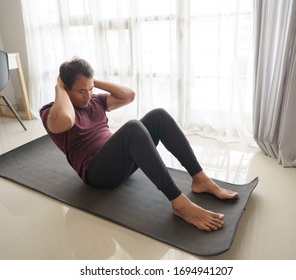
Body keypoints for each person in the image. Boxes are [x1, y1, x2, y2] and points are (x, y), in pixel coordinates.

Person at [40, 57, 238, 232]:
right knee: (133, 127)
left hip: (119, 163)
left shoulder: (94, 101)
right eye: (82, 91)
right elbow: (66, 120)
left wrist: (90, 82)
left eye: (91, 89)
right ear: (66, 89)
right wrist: (59, 87)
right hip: (97, 174)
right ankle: (179, 203)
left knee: (158, 115)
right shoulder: (51, 113)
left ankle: (200, 179)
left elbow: (128, 95)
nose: (88, 96)